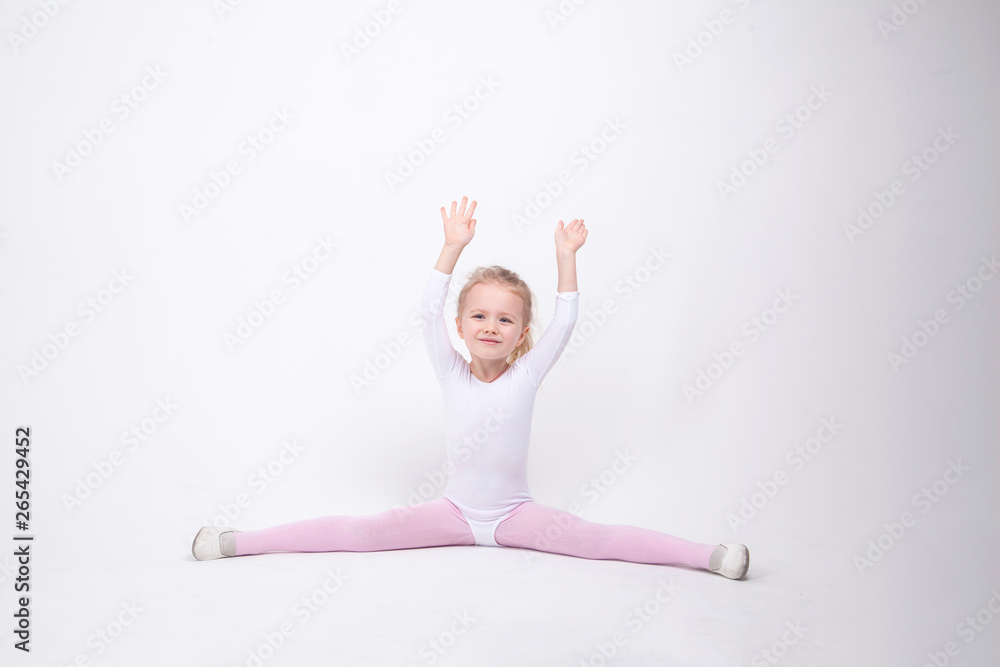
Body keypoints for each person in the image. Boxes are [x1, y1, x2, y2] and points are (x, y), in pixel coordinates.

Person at [191, 196, 750, 580]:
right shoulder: (450, 369)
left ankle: (709, 556)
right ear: (460, 328)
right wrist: (451, 247)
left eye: (505, 321)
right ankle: (237, 541)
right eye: (478, 316)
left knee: (598, 542)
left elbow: (566, 322)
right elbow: (427, 308)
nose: (490, 326)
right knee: (360, 533)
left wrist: (564, 259)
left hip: (516, 515)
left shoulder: (528, 372)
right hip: (453, 513)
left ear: (520, 336)